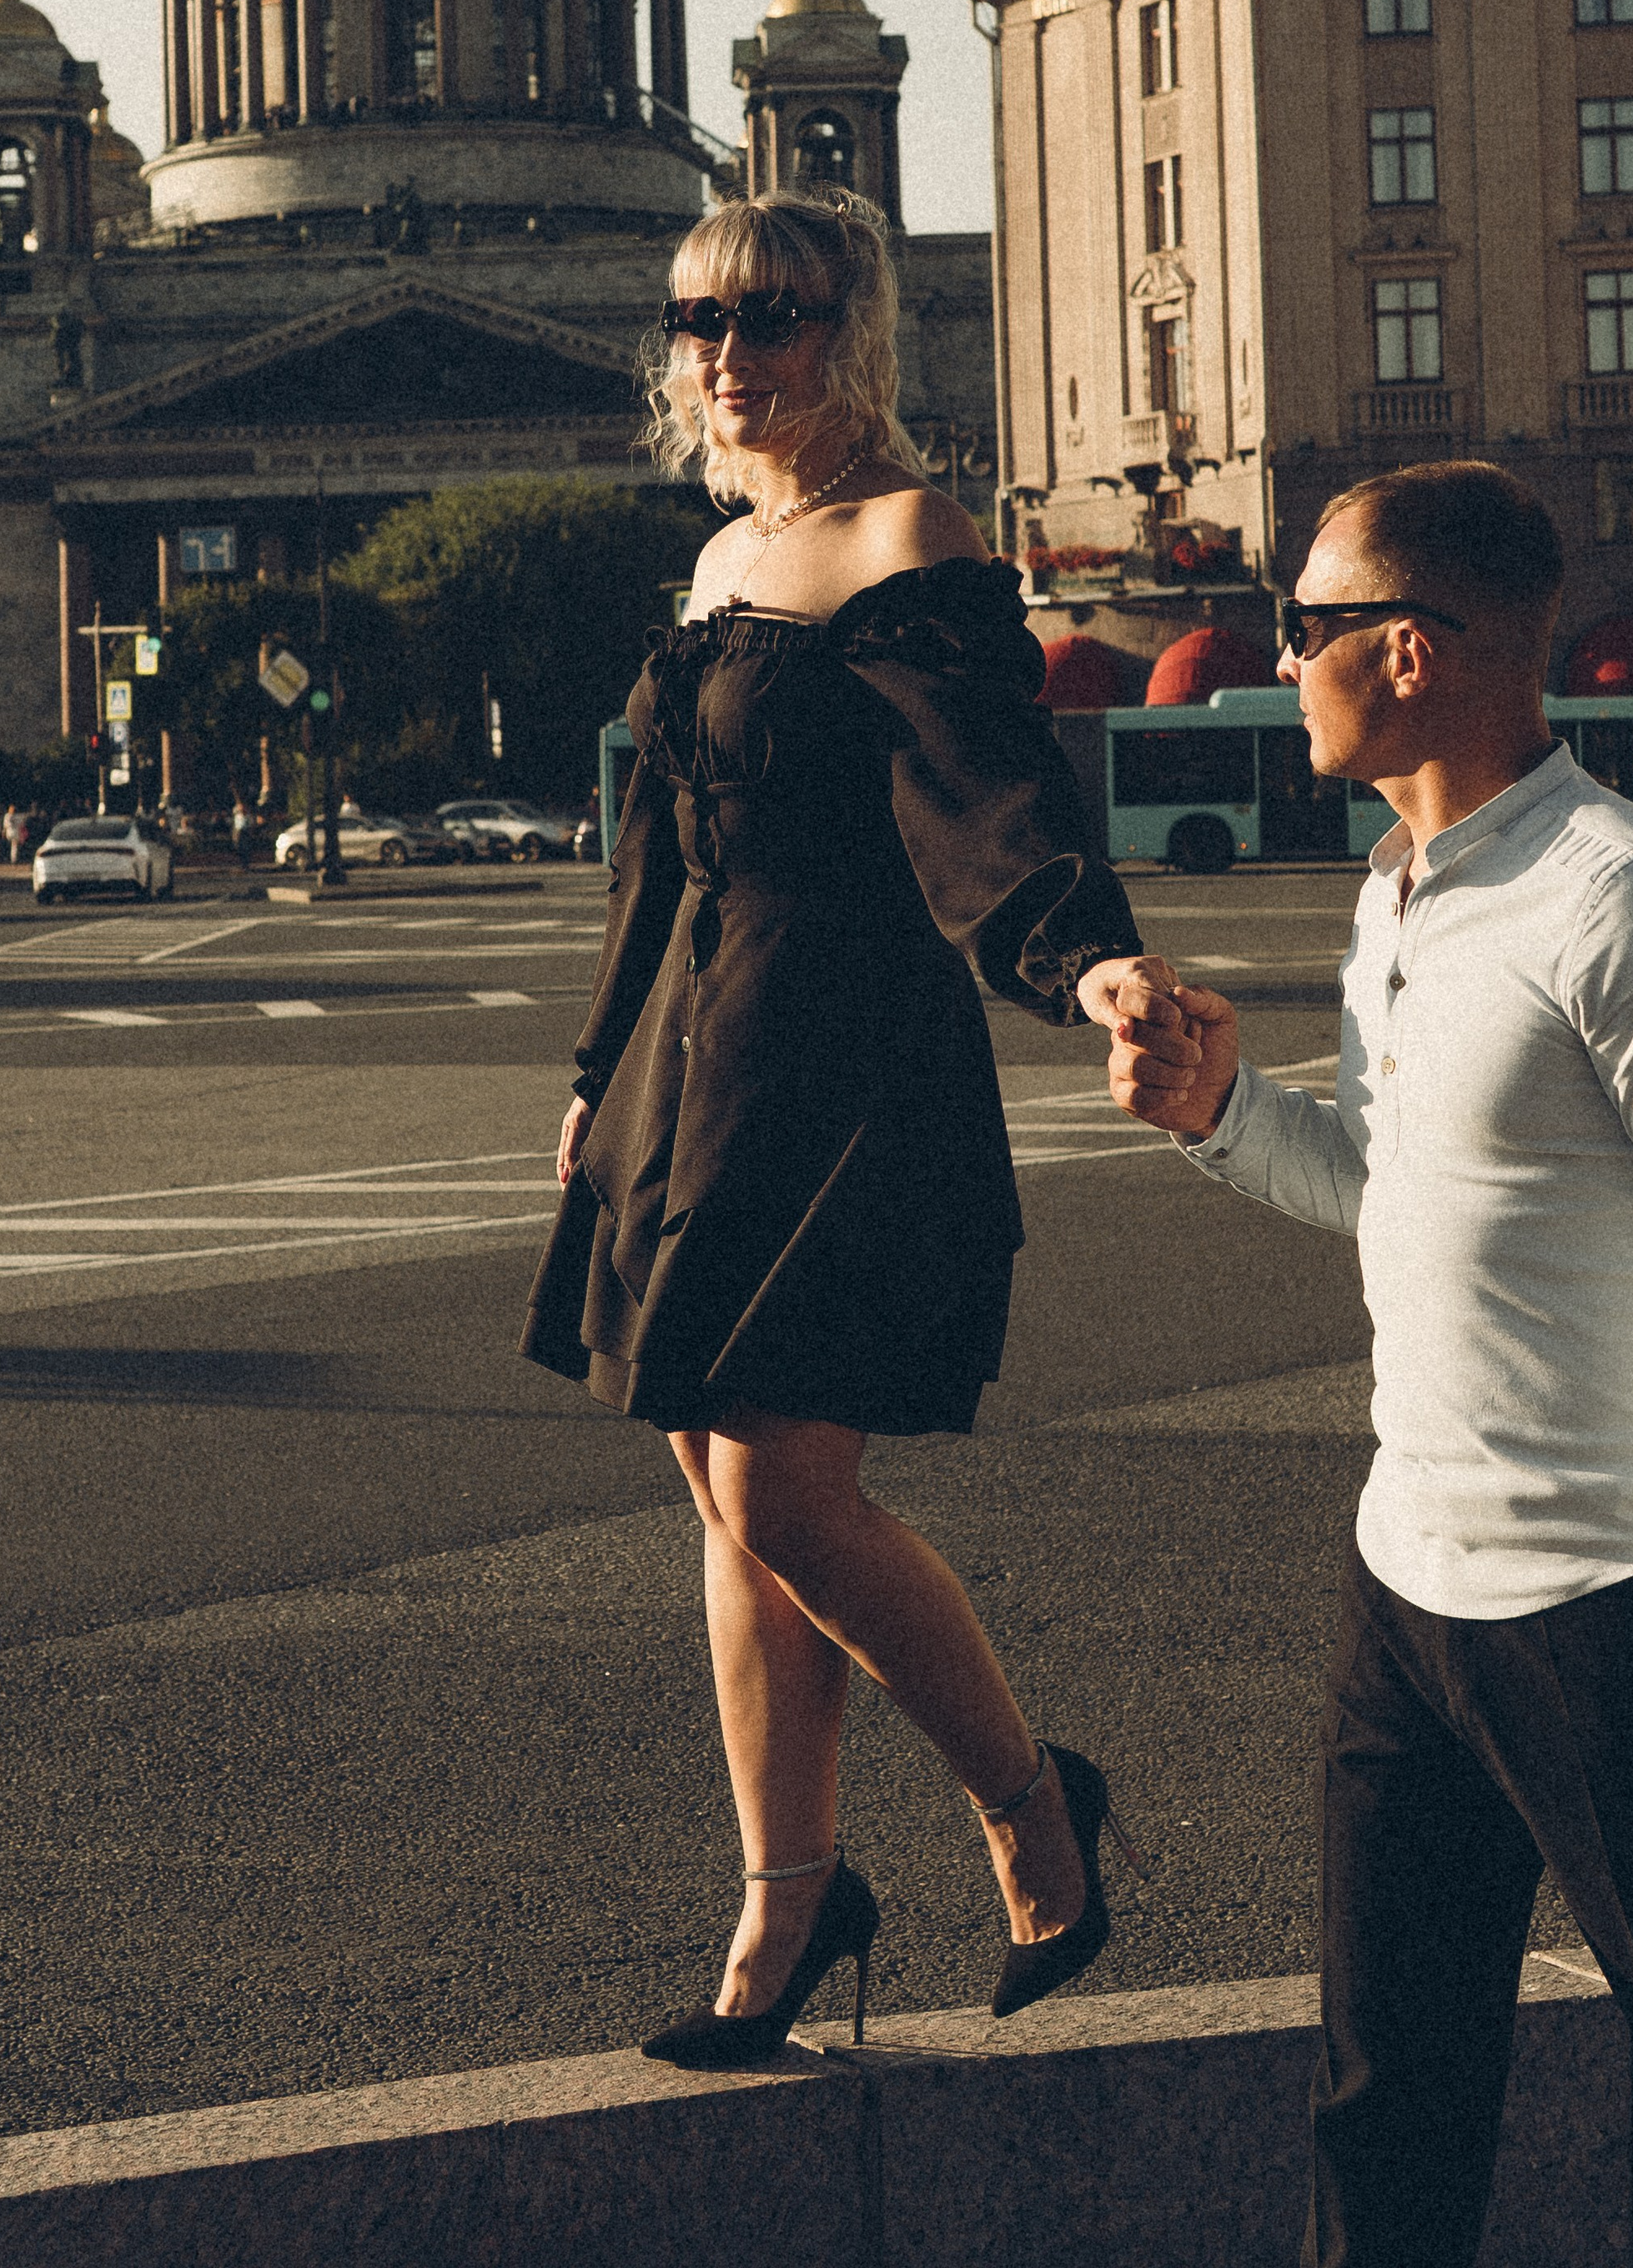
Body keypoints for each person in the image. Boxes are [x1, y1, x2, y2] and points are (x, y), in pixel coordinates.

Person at [1104, 460, 1633, 2268]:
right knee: (1384, 2102)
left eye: (1305, 630)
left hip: (1616, 1610)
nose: (1279, 667)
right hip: (1404, 1592)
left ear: (1412, 651)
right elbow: (1385, 1196)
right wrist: (1220, 1116)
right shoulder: (1395, 898)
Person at [521, 190, 1144, 2066]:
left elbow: (985, 789)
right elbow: (657, 857)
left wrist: (1084, 962)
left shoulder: (904, 537)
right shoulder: (719, 564)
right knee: (723, 1498)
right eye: (699, 317)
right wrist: (589, 1070)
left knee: (788, 1488)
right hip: (685, 1065)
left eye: (772, 318)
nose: (728, 353)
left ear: (848, 333)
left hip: (839, 1051)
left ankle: (1032, 1806)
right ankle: (784, 1909)